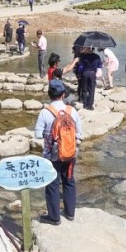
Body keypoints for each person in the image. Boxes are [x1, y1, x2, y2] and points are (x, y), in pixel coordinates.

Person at [34, 80, 82, 225]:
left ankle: (54, 218)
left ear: (49, 95)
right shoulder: (72, 111)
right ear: (63, 94)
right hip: (70, 154)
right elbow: (79, 134)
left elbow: (37, 134)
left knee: (52, 184)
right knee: (69, 181)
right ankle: (70, 213)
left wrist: (49, 135)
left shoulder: (45, 112)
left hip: (52, 155)